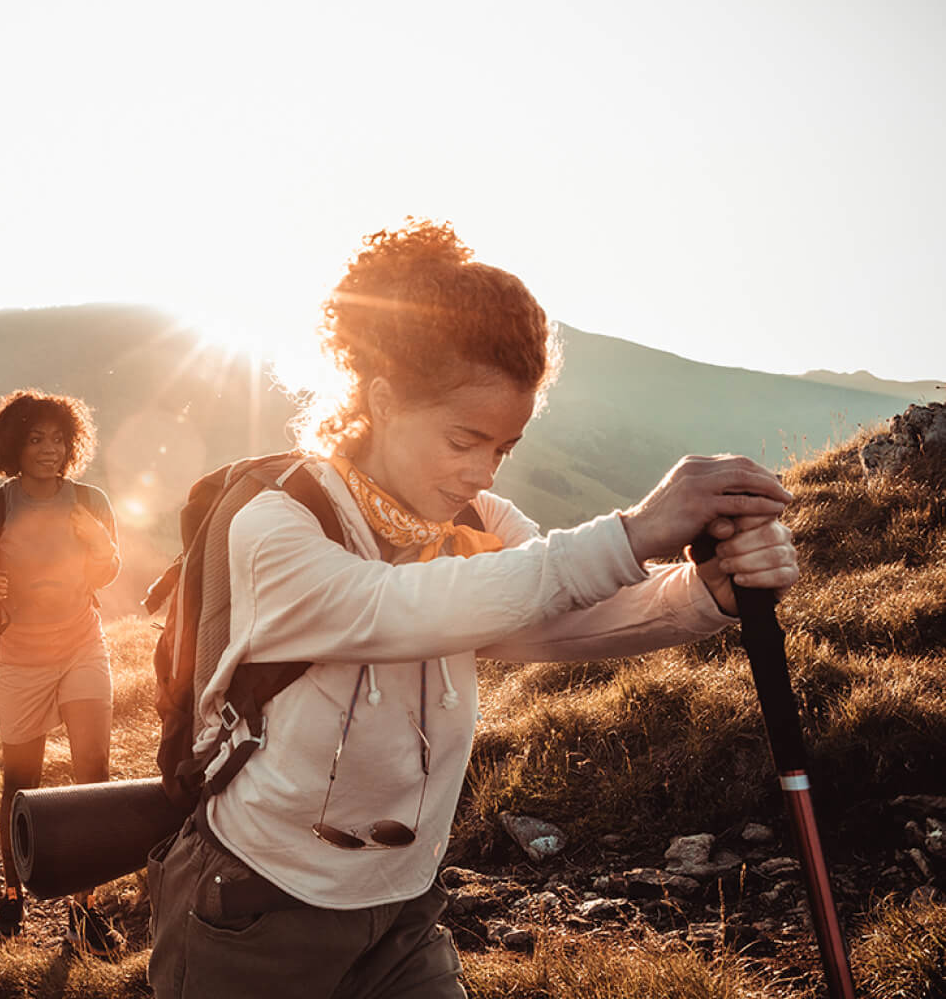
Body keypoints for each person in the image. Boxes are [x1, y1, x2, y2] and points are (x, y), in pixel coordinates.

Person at [145, 219, 800, 999]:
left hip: (404, 905)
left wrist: (706, 596)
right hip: (256, 907)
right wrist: (635, 530)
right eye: (464, 440)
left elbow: (557, 613)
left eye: (505, 447)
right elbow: (396, 610)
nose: (481, 470)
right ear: (383, 400)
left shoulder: (478, 522)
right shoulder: (277, 523)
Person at [0, 388, 124, 956]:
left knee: (92, 772)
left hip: (81, 642)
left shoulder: (89, 500)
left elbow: (106, 571)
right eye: (36, 439)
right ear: (12, 445)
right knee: (19, 782)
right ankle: (11, 890)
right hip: (21, 655)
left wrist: (100, 546)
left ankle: (86, 906)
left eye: (59, 439)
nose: (50, 449)